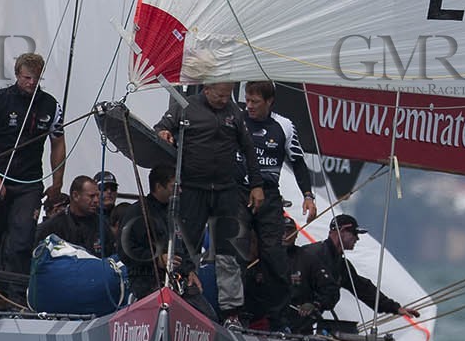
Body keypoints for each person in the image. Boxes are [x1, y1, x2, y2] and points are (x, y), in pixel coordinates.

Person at [155, 82, 264, 323]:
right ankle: (181, 299)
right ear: (206, 90)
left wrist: (256, 184)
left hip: (225, 190)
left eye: (228, 96)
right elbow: (161, 126)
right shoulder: (186, 107)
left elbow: (248, 148)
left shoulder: (234, 112)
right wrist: (164, 133)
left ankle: (231, 312)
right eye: (220, 96)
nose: (224, 100)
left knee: (228, 252)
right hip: (193, 189)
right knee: (187, 247)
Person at [0, 52, 65, 313]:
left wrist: (57, 182)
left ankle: (16, 299)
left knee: (21, 241)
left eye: (36, 78)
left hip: (29, 183)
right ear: (18, 75)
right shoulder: (1, 99)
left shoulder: (50, 105)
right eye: (26, 78)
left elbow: (58, 142)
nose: (31, 83)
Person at [241, 80, 318, 316]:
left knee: (274, 256)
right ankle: (235, 313)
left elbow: (298, 162)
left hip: (269, 196)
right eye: (247, 100)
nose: (250, 106)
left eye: (255, 102)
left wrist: (308, 196)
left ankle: (278, 316)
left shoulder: (284, 125)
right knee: (236, 251)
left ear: (269, 102)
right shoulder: (236, 119)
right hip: (239, 192)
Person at [286, 214, 413, 330]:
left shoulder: (341, 265)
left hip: (305, 325)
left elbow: (363, 288)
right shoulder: (309, 254)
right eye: (354, 233)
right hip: (286, 320)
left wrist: (395, 308)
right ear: (341, 231)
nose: (357, 238)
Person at [117, 164, 201, 304]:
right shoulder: (137, 213)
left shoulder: (175, 213)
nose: (179, 191)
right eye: (173, 187)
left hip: (179, 280)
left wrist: (190, 270)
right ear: (158, 187)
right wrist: (156, 260)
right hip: (147, 280)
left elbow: (183, 248)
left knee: (207, 317)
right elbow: (125, 251)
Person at [35, 175, 113, 258]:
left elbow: (112, 255)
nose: (96, 200)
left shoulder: (102, 224)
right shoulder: (52, 226)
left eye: (97, 196)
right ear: (75, 196)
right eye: (91, 196)